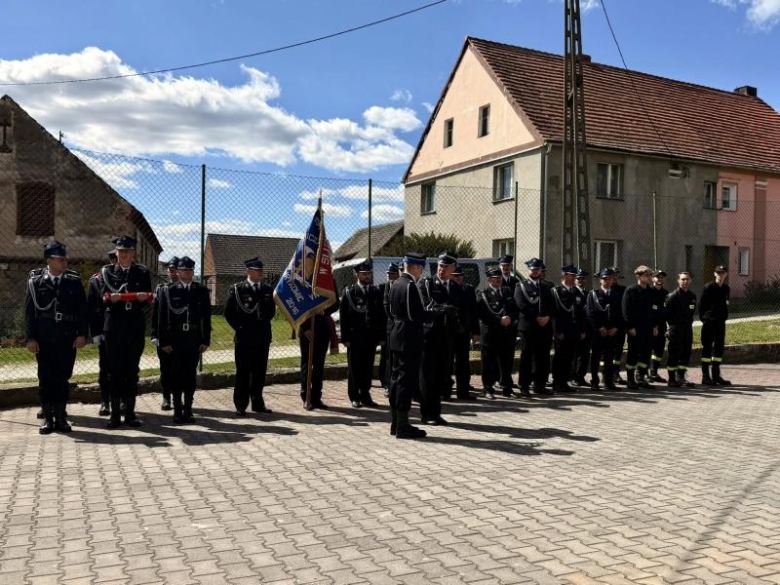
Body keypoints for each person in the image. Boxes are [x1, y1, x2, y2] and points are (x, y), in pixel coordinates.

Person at [25, 241, 88, 434]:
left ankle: (61, 418)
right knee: (45, 378)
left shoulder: (73, 281)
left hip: (67, 338)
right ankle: (48, 419)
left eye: (65, 259)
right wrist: (30, 338)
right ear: (49, 260)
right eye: (60, 259)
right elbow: (29, 312)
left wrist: (82, 334)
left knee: (62, 378)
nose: (64, 262)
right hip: (44, 339)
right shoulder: (36, 282)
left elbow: (82, 310)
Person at [98, 235, 152, 429]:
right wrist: (108, 299)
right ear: (117, 253)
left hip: (134, 326)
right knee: (114, 372)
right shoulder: (107, 272)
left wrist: (143, 297)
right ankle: (114, 415)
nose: (124, 255)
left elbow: (148, 298)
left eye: (127, 251)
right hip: (114, 326)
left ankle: (130, 413)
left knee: (132, 371)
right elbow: (102, 295)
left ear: (133, 253)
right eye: (121, 251)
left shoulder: (142, 272)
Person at [156, 256, 211, 423]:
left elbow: (206, 318)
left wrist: (205, 340)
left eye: (190, 270)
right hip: (175, 338)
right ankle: (177, 410)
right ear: (177, 272)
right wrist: (163, 341)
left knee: (190, 375)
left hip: (193, 338)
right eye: (183, 270)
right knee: (175, 375)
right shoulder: (168, 290)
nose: (187, 273)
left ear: (193, 272)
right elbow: (161, 318)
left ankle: (188, 409)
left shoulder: (200, 291)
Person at [224, 257, 276, 415]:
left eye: (261, 270)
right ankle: (240, 405)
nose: (261, 273)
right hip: (244, 338)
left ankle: (257, 403)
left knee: (259, 372)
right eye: (257, 270)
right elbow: (229, 313)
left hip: (262, 337)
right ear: (248, 271)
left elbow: (271, 312)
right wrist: (240, 328)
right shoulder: (238, 289)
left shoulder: (267, 290)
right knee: (243, 372)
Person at [386, 253, 427, 439]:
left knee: (396, 380)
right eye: (421, 268)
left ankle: (396, 423)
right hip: (408, 337)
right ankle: (402, 425)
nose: (421, 272)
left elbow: (391, 310)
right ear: (416, 267)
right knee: (405, 381)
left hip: (397, 335)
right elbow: (414, 315)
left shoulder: (395, 283)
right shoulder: (409, 285)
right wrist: (433, 314)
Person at [418, 252, 460, 424]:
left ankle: (435, 412)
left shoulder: (456, 287)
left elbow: (462, 309)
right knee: (428, 377)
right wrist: (444, 308)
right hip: (429, 337)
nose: (442, 269)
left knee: (441, 376)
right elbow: (426, 305)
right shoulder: (426, 284)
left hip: (447, 337)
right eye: (440, 266)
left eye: (446, 267)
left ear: (453, 269)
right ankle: (426, 414)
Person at [339, 261, 384, 408]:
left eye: (368, 273)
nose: (367, 276)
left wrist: (381, 336)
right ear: (357, 275)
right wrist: (344, 338)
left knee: (368, 367)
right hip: (354, 338)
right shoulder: (349, 292)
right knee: (354, 368)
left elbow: (380, 316)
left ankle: (365, 395)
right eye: (364, 274)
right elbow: (344, 317)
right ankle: (354, 396)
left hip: (370, 337)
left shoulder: (376, 292)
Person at [515, 258, 555, 396]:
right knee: (527, 357)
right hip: (529, 326)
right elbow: (521, 304)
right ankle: (524, 385)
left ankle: (540, 384)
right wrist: (536, 318)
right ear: (529, 270)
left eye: (538, 270)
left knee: (543, 356)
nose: (535, 272)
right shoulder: (521, 286)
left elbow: (552, 305)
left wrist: (547, 317)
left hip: (544, 326)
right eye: (533, 269)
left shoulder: (546, 287)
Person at [477, 268, 518, 399]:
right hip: (490, 334)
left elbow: (514, 308)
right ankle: (487, 388)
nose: (499, 279)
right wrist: (499, 320)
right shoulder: (483, 293)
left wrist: (510, 318)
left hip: (506, 333)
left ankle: (507, 387)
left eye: (499, 277)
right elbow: (483, 314)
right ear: (489, 279)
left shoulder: (507, 291)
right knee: (488, 363)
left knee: (507, 362)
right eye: (495, 277)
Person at [87, 249, 118, 417]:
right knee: (105, 367)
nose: (116, 263)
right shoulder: (97, 280)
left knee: (124, 368)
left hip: (123, 331)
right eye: (114, 260)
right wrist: (96, 332)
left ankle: (120, 400)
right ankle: (105, 401)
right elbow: (92, 308)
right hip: (104, 331)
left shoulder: (128, 278)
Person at [586, 268, 622, 391]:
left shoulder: (616, 295)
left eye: (610, 278)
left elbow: (620, 314)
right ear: (600, 280)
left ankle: (608, 381)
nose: (607, 281)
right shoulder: (594, 294)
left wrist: (616, 328)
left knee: (609, 357)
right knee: (596, 357)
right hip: (598, 332)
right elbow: (590, 313)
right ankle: (594, 381)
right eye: (604, 278)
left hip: (612, 332)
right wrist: (599, 328)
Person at [299, 299, 338, 411]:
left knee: (319, 365)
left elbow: (335, 304)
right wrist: (305, 328)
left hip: (322, 328)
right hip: (306, 328)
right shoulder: (302, 281)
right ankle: (305, 396)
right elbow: (297, 306)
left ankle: (316, 397)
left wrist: (322, 311)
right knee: (307, 364)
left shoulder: (329, 281)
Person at [622, 266, 657, 389]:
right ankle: (631, 379)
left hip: (648, 328)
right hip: (635, 329)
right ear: (638, 276)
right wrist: (630, 327)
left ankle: (641, 377)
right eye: (646, 275)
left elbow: (654, 310)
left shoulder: (651, 291)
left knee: (646, 354)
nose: (649, 278)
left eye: (649, 275)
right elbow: (626, 311)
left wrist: (655, 326)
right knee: (633, 354)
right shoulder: (631, 290)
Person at [151, 256, 179, 411]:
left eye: (175, 270)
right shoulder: (161, 289)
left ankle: (179, 398)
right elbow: (155, 315)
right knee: (165, 369)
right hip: (164, 335)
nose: (173, 273)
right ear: (168, 271)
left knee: (180, 369)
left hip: (181, 337)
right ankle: (166, 398)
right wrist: (155, 335)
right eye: (171, 270)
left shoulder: (186, 289)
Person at [451, 264, 480, 400]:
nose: (459, 278)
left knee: (463, 362)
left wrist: (475, 332)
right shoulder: (447, 289)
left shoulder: (468, 290)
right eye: (456, 276)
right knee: (447, 362)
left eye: (461, 275)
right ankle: (445, 390)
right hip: (449, 332)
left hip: (464, 332)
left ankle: (463, 390)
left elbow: (474, 312)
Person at [699, 265, 731, 386]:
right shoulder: (708, 287)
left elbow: (726, 304)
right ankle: (706, 376)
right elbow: (701, 305)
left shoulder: (726, 288)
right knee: (707, 347)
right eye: (718, 273)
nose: (720, 275)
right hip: (709, 322)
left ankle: (716, 375)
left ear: (725, 274)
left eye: (722, 273)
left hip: (720, 322)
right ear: (714, 274)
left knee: (719, 348)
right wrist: (705, 319)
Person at [665, 271, 697, 388]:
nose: (685, 281)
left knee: (686, 353)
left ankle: (681, 377)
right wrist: (671, 327)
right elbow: (667, 314)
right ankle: (672, 379)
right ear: (678, 281)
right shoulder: (673, 296)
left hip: (687, 328)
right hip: (675, 329)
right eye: (683, 279)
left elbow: (692, 312)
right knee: (674, 353)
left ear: (690, 281)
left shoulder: (692, 296)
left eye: (687, 279)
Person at [551, 266, 579, 393]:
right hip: (561, 330)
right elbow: (554, 313)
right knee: (560, 357)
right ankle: (557, 382)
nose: (573, 278)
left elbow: (580, 312)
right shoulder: (556, 291)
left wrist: (581, 329)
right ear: (564, 276)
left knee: (569, 356)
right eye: (571, 275)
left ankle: (565, 381)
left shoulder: (576, 291)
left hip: (573, 330)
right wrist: (557, 331)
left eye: (574, 276)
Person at [378, 263, 400, 397]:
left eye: (392, 274)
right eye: (388, 274)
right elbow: (385, 307)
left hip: (400, 328)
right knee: (387, 358)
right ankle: (387, 383)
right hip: (389, 327)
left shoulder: (402, 286)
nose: (389, 276)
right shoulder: (384, 287)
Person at [649, 270, 669, 382]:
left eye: (661, 277)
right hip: (650, 326)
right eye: (657, 277)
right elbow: (647, 311)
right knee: (647, 350)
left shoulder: (666, 293)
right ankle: (641, 374)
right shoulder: (649, 292)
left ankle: (654, 372)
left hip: (662, 326)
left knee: (659, 350)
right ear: (652, 278)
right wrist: (653, 326)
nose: (659, 279)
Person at [609, 267, 628, 385]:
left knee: (618, 351)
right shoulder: (602, 290)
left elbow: (625, 310)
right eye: (612, 275)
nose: (614, 277)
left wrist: (619, 326)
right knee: (606, 352)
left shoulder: (623, 290)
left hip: (620, 326)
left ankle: (615, 373)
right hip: (607, 327)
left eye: (616, 275)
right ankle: (606, 374)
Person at [572, 269, 590, 387]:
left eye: (582, 278)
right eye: (578, 278)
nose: (580, 281)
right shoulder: (572, 292)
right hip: (576, 328)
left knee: (585, 354)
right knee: (575, 354)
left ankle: (581, 377)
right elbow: (575, 313)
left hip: (587, 328)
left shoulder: (589, 293)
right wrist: (580, 330)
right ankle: (574, 377)